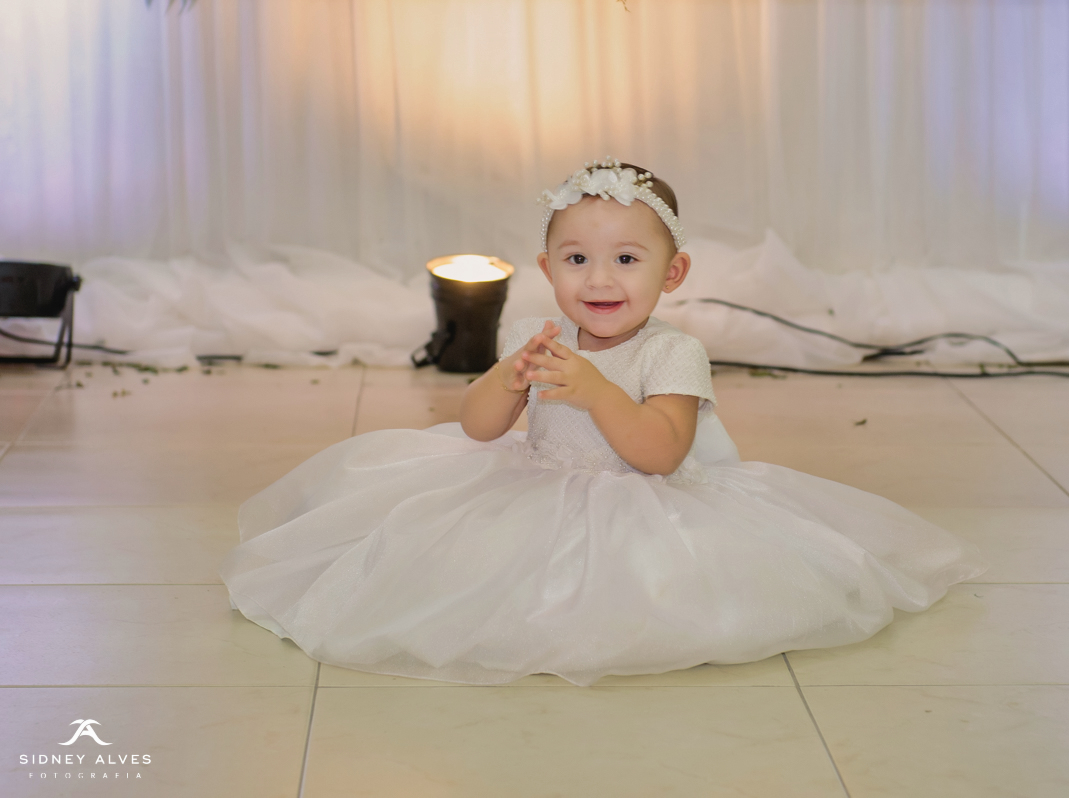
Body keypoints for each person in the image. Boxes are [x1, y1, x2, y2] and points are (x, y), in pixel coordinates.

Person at [220, 158, 986, 687]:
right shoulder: (540, 336)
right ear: (548, 269)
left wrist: (596, 392)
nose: (600, 279)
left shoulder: (672, 353)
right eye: (577, 259)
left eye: (626, 259)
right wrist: (506, 378)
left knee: (623, 598)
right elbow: (479, 428)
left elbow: (661, 453)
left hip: (642, 503)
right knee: (465, 571)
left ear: (672, 272)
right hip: (533, 484)